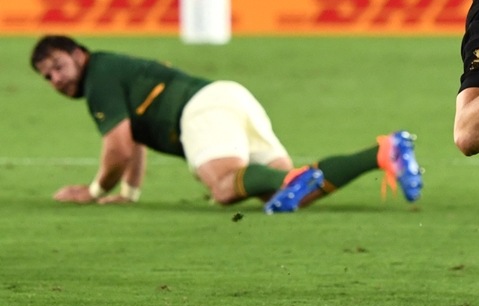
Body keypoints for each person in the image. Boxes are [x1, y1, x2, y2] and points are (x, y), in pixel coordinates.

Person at [30, 35, 423, 212]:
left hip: (201, 110)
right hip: (231, 99)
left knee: (222, 187)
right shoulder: (109, 71)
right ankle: (384, 151)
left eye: (58, 67)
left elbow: (116, 147)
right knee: (285, 196)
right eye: (47, 78)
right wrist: (129, 194)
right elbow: (132, 140)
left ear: (79, 54)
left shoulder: (99, 76)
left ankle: (287, 179)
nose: (57, 79)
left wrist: (95, 190)